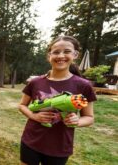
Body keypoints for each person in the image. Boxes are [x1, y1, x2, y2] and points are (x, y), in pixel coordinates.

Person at [18, 36, 96, 165]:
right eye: (56, 52)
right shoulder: (35, 82)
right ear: (49, 56)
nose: (61, 56)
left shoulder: (83, 85)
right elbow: (22, 105)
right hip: (31, 141)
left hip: (60, 146)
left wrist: (77, 121)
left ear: (75, 54)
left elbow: (89, 117)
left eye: (66, 51)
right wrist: (34, 116)